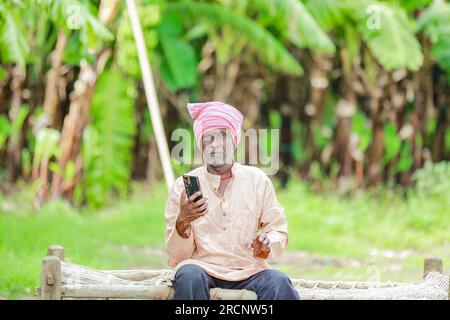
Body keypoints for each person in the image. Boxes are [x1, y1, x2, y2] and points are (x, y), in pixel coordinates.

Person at [164, 101, 299, 300]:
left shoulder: (257, 181)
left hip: (249, 270)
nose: (216, 144)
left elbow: (278, 229)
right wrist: (183, 221)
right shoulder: (183, 186)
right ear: (200, 143)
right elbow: (177, 257)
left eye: (223, 136)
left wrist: (267, 242)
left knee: (279, 282)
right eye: (208, 138)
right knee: (188, 276)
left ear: (234, 141)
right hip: (203, 269)